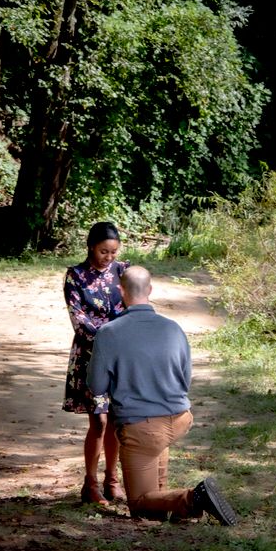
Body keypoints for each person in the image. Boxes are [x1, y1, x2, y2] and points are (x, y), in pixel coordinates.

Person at [87, 265, 238, 525]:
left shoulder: (109, 333)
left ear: (120, 291)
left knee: (139, 504)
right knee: (156, 506)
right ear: (150, 290)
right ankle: (176, 509)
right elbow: (185, 378)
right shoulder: (174, 329)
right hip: (179, 418)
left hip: (142, 428)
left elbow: (96, 386)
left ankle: (193, 498)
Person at [63, 221, 130, 505]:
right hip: (92, 355)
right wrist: (107, 339)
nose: (109, 257)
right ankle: (90, 485)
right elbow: (78, 319)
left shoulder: (123, 271)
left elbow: (135, 305)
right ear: (91, 246)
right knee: (99, 421)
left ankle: (111, 481)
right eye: (104, 251)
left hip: (122, 355)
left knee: (116, 421)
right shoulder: (75, 275)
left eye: (113, 252)